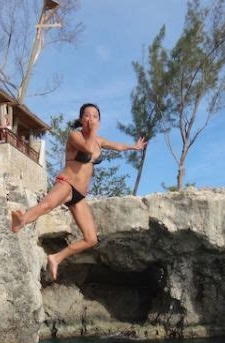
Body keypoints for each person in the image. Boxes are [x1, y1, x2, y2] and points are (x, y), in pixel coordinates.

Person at [11, 103, 147, 280]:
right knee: (47, 205)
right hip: (67, 183)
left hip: (80, 195)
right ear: (81, 119)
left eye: (95, 116)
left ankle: (56, 258)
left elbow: (117, 146)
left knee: (91, 239)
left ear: (99, 120)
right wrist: (92, 131)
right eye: (87, 116)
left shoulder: (99, 141)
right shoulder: (75, 136)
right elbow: (88, 149)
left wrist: (133, 147)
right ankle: (21, 220)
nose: (91, 119)